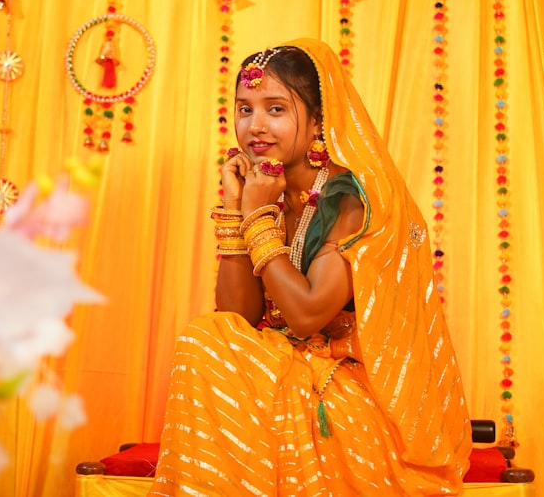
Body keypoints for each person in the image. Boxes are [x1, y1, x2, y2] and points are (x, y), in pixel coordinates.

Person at [150, 38, 471, 495]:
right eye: (245, 109)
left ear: (319, 119)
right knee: (207, 337)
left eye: (276, 109)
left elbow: (307, 314)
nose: (255, 126)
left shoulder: (351, 198)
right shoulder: (268, 189)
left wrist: (257, 220)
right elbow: (237, 316)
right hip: (288, 374)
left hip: (349, 394)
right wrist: (235, 206)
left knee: (206, 343)